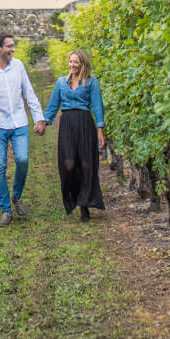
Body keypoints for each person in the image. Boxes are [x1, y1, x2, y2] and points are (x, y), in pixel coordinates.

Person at [0, 32, 46, 226]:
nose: (13, 49)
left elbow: (29, 92)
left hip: (19, 122)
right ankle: (6, 209)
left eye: (13, 46)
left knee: (22, 160)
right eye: (10, 46)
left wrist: (39, 118)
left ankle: (17, 196)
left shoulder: (18, 66)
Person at [43, 49, 105, 222]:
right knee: (69, 164)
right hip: (67, 124)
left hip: (85, 124)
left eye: (75, 62)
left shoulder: (92, 83)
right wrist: (44, 122)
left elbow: (97, 106)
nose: (72, 65)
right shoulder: (61, 82)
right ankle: (73, 198)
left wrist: (100, 129)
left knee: (86, 164)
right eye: (70, 61)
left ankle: (84, 205)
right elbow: (53, 105)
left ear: (83, 63)